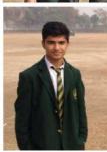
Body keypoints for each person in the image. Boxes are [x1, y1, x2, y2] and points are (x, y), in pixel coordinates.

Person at [15, 21, 88, 150]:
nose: (56, 48)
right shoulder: (29, 77)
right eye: (51, 42)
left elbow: (81, 110)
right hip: (42, 145)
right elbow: (22, 120)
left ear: (68, 44)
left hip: (72, 145)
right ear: (43, 43)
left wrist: (81, 138)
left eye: (61, 43)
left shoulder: (75, 74)